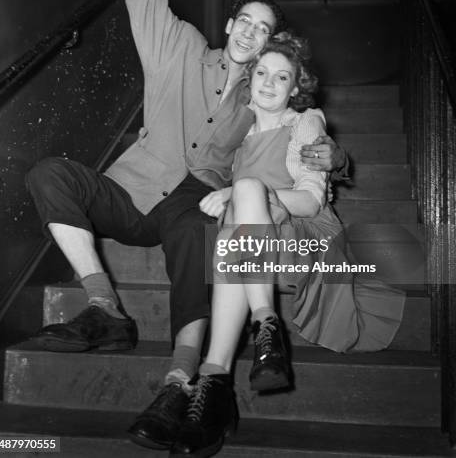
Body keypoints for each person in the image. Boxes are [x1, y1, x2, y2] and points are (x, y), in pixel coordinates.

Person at [25, 0, 346, 452]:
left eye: (262, 27)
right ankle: (104, 306)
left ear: (269, 45)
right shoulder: (178, 48)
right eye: (244, 20)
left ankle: (179, 382)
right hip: (134, 186)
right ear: (228, 27)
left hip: (194, 202)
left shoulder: (265, 100)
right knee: (49, 175)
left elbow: (305, 131)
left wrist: (338, 160)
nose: (251, 31)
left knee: (203, 247)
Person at [168, 32, 406, 458]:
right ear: (250, 77)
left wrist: (249, 193)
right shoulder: (235, 131)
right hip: (251, 238)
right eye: (261, 73)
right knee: (227, 236)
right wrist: (240, 196)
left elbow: (311, 199)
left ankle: (244, 345)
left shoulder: (305, 122)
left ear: (295, 87)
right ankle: (223, 373)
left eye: (282, 77)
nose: (269, 83)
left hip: (304, 234)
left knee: (238, 212)